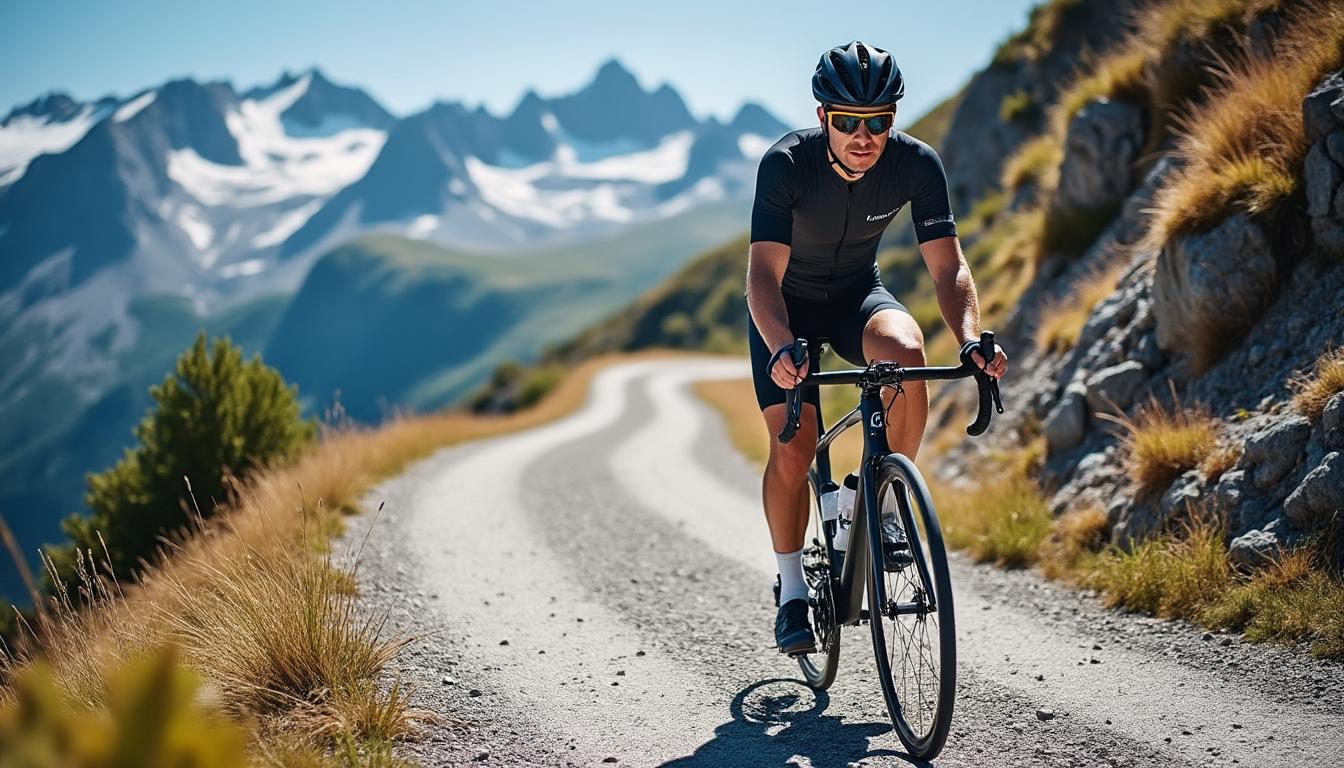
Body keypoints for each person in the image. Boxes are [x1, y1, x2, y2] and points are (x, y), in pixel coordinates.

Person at [746, 41, 1008, 655]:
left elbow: (949, 269)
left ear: (893, 118)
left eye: (878, 121)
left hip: (856, 297)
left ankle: (878, 508)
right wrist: (781, 347)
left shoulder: (916, 164)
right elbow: (761, 274)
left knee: (907, 352)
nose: (863, 137)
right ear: (823, 117)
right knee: (794, 448)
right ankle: (792, 591)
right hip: (784, 308)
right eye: (847, 121)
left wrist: (970, 338)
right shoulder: (785, 165)